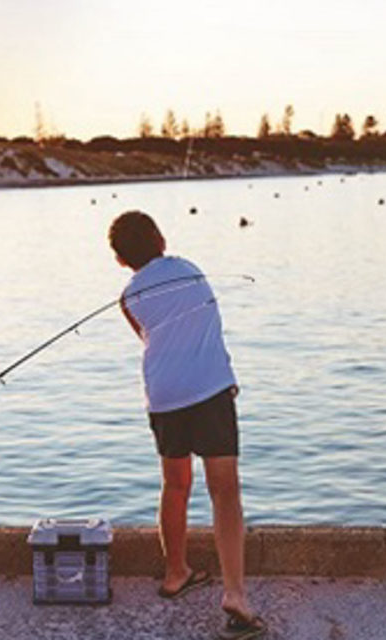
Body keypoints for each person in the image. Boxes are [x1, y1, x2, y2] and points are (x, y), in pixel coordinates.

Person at [109, 211, 265, 640]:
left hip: (164, 396)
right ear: (161, 238)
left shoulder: (126, 297)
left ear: (120, 261)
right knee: (224, 490)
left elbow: (146, 335)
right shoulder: (191, 270)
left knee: (175, 485)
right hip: (210, 390)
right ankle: (235, 593)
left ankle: (176, 573)